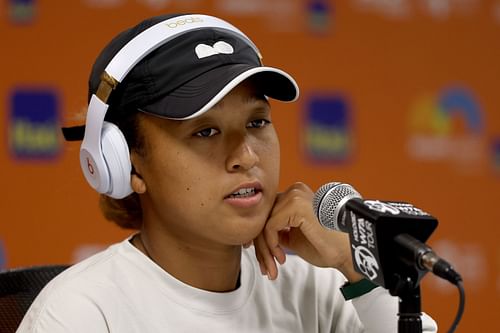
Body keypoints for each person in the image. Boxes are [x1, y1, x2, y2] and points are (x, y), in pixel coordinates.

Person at [17, 13, 437, 332]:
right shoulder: (81, 314)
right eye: (205, 131)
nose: (246, 155)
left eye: (257, 122)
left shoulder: (319, 289)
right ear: (125, 163)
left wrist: (354, 263)